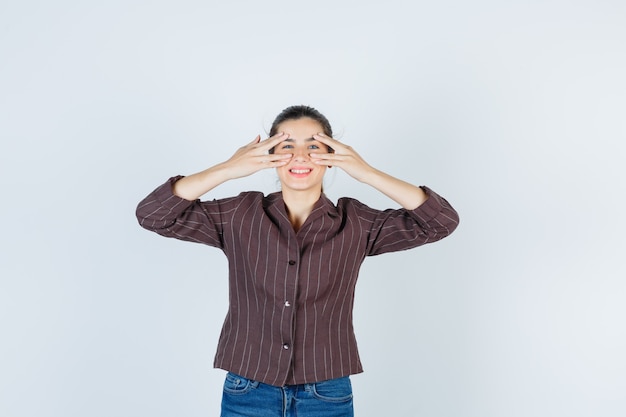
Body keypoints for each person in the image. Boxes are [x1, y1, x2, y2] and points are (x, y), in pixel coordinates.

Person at [136, 105, 459, 417]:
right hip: (247, 387)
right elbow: (153, 215)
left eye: (314, 146)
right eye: (287, 145)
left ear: (332, 156)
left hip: (327, 391)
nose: (301, 156)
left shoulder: (356, 222)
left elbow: (441, 221)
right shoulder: (239, 215)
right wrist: (228, 169)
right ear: (270, 155)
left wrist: (367, 173)